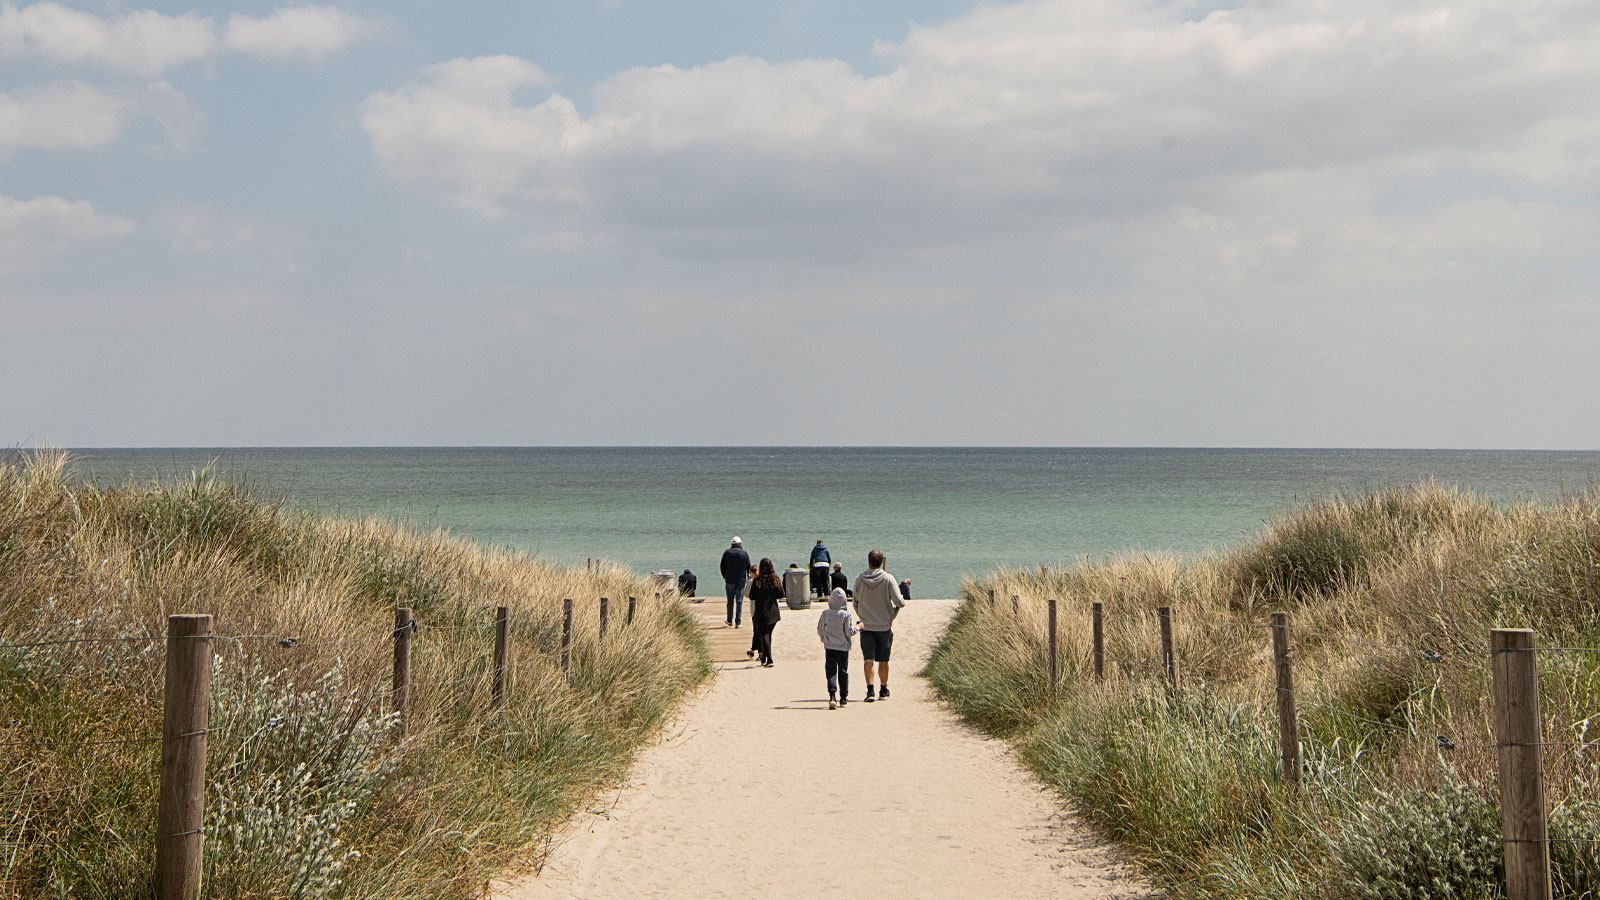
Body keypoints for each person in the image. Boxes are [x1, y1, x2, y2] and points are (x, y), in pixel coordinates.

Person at [853, 549, 905, 702]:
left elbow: (855, 602)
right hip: (883, 626)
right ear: (882, 562)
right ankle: (883, 688)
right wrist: (892, 614)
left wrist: (862, 615)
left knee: (868, 659)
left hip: (867, 625)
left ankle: (870, 690)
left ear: (868, 561)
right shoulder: (888, 579)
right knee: (883, 659)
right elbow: (899, 602)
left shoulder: (859, 579)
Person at [816, 587, 859, 709]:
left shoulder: (826, 613)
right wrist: (858, 628)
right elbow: (848, 632)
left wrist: (822, 636)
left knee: (830, 671)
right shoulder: (846, 614)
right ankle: (844, 697)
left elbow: (820, 628)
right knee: (843, 671)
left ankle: (832, 695)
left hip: (829, 646)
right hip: (843, 647)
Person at [747, 558, 784, 667]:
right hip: (773, 611)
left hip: (761, 611)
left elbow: (751, 596)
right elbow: (781, 595)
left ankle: (770, 659)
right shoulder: (775, 578)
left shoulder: (757, 580)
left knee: (764, 635)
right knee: (768, 635)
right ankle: (764, 657)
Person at [720, 537, 750, 628]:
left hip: (729, 580)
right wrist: (748, 577)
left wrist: (725, 576)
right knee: (739, 601)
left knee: (730, 601)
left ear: (731, 544)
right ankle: (738, 622)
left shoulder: (727, 553)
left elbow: (722, 566)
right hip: (741, 580)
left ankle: (729, 620)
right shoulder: (744, 553)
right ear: (740, 544)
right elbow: (748, 567)